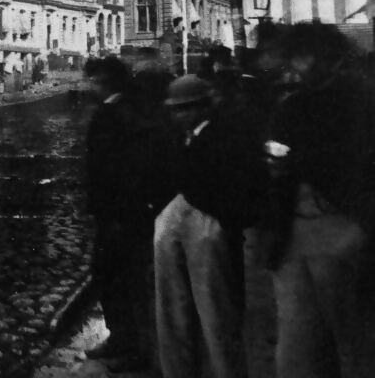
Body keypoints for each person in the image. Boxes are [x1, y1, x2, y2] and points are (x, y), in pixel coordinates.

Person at [263, 22, 375, 378]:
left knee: (353, 342)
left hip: (343, 228)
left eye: (303, 56)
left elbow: (357, 159)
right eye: (293, 57)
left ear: (328, 57)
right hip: (293, 233)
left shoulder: (362, 99)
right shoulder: (291, 104)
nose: (295, 65)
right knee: (296, 349)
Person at [153, 74, 264, 378]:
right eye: (176, 110)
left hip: (209, 222)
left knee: (216, 312)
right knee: (175, 307)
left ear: (205, 107)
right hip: (182, 216)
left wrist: (224, 220)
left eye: (185, 109)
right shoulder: (183, 135)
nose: (179, 116)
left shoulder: (224, 136)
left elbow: (240, 189)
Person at [82, 57, 153, 373]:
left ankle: (128, 344)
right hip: (124, 212)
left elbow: (113, 168)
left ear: (106, 81)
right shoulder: (131, 109)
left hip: (118, 214)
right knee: (119, 277)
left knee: (114, 278)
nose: (90, 85)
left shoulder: (113, 114)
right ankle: (126, 339)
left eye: (94, 80)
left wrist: (110, 211)